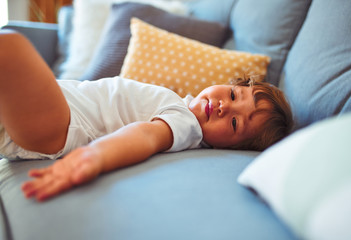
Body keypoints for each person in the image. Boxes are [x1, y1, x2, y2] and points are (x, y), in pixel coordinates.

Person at [0, 30, 293, 202]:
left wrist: (96, 156)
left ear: (230, 148)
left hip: (63, 123)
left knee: (10, 46)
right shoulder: (179, 102)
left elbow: (145, 135)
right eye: (232, 95)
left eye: (234, 123)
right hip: (50, 110)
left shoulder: (185, 123)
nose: (223, 107)